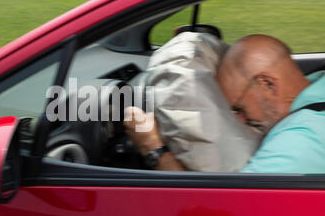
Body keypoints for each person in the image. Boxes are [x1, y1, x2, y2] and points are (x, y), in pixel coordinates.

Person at [124, 34, 325, 173]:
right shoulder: (318, 81)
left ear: (267, 84)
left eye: (239, 108)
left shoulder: (300, 141)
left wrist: (154, 149)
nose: (238, 118)